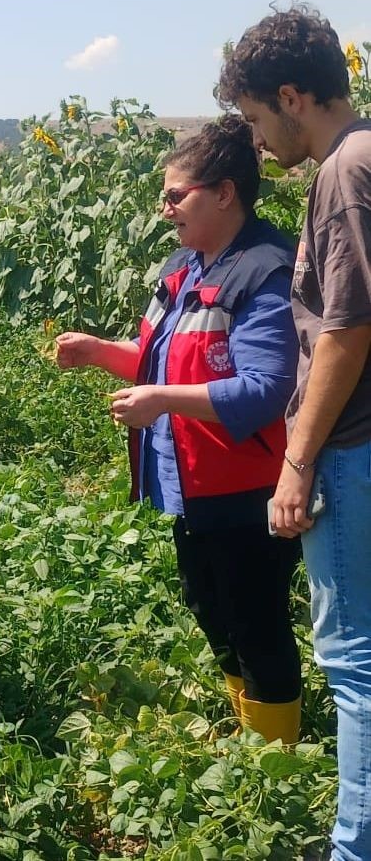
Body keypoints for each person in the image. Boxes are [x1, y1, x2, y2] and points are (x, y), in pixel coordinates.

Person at [54, 115, 302, 743]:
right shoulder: (186, 265)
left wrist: (161, 400)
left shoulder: (264, 271)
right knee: (212, 609)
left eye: (175, 195)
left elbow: (267, 388)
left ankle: (277, 761)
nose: (164, 209)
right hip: (193, 483)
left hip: (250, 486)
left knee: (256, 622)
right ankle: (255, 736)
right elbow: (160, 360)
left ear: (224, 193)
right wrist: (97, 351)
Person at [219, 6, 371, 861]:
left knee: (354, 663)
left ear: (290, 95)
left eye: (253, 118)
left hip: (352, 447)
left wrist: (297, 462)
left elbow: (345, 330)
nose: (257, 139)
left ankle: (355, 846)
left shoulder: (345, 169)